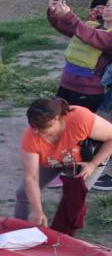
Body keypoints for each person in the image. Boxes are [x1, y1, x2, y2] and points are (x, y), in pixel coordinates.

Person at [15, 98, 112, 232]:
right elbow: (31, 177)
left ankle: (61, 238)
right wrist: (37, 211)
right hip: (52, 159)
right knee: (23, 193)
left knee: (71, 199)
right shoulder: (31, 136)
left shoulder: (80, 118)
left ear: (55, 119)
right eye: (33, 127)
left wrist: (93, 165)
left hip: (85, 160)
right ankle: (18, 231)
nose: (36, 132)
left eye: (42, 128)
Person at [48, 0, 112, 190]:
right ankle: (59, 163)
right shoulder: (93, 25)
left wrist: (69, 16)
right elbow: (70, 28)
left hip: (90, 90)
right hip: (67, 84)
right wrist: (55, 12)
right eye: (108, 4)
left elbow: (90, 36)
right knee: (59, 123)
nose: (108, 7)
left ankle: (73, 171)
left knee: (78, 133)